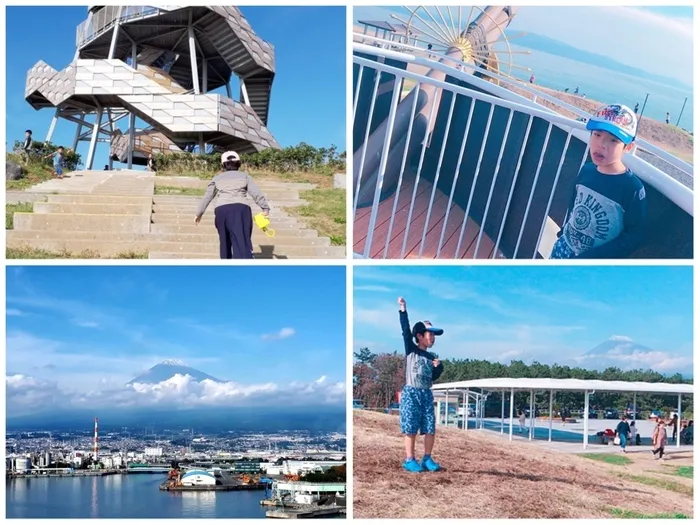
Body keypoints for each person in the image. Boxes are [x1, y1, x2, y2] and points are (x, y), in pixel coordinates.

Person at [550, 104, 647, 259]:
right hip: (564, 248)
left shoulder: (631, 188)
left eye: (613, 140)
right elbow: (574, 204)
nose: (601, 144)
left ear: (628, 147)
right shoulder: (587, 170)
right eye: (597, 135)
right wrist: (563, 233)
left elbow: (633, 236)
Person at [397, 296, 444, 473]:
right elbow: (404, 330)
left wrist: (438, 368)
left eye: (433, 335)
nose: (432, 337)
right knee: (410, 426)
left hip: (426, 393)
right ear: (419, 336)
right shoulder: (411, 349)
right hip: (411, 392)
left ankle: (427, 458)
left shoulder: (433, 358)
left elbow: (434, 377)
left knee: (430, 426)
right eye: (429, 334)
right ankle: (409, 459)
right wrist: (403, 309)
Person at [195, 151, 269, 259]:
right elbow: (255, 192)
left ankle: (226, 269)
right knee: (241, 242)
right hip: (241, 209)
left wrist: (199, 213)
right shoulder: (245, 176)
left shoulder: (217, 178)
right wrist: (265, 208)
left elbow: (208, 196)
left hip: (222, 210)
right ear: (239, 163)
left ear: (223, 164)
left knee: (224, 241)